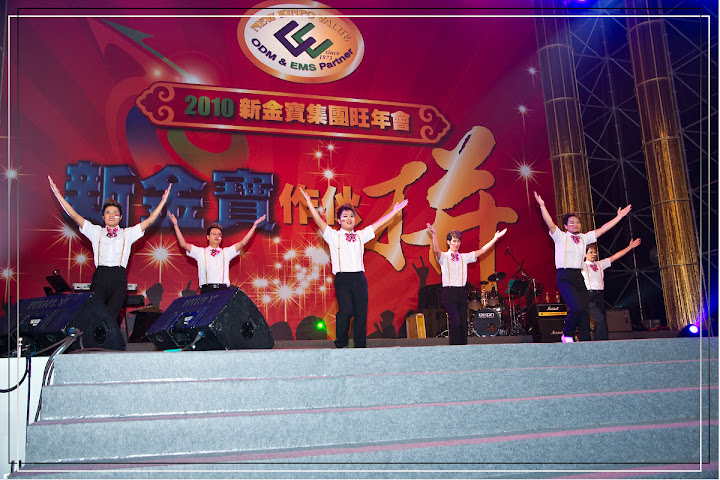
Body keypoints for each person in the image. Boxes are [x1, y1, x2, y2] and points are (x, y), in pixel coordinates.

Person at [48, 176, 172, 322]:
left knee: (111, 317)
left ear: (120, 217)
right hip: (100, 276)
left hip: (118, 277)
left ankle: (110, 337)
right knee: (95, 315)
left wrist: (163, 201)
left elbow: (150, 220)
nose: (111, 215)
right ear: (103, 217)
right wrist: (57, 194)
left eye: (115, 213)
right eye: (108, 212)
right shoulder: (95, 231)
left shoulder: (128, 234)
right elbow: (74, 215)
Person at [299, 188, 408, 348]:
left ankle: (360, 347)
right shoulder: (333, 236)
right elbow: (319, 221)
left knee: (360, 314)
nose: (349, 218)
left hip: (359, 279)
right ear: (339, 220)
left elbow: (379, 224)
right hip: (343, 279)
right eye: (345, 216)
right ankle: (341, 343)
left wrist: (394, 211)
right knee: (346, 311)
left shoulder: (360, 236)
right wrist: (309, 203)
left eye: (351, 216)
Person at [534, 191, 631, 342]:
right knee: (576, 307)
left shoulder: (584, 238)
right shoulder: (560, 237)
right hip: (564, 276)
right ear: (565, 226)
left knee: (585, 311)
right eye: (571, 222)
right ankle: (567, 334)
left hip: (578, 276)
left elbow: (603, 229)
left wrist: (619, 217)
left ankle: (585, 341)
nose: (575, 224)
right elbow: (550, 223)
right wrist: (542, 206)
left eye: (577, 222)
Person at [427, 224, 507, 345]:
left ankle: (463, 348)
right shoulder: (444, 257)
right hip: (449, 293)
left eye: (458, 241)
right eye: (454, 241)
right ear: (448, 242)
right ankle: (454, 348)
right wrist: (434, 235)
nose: (456, 244)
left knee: (463, 324)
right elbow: (436, 251)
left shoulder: (464, 257)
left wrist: (495, 238)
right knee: (456, 322)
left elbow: (482, 251)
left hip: (461, 292)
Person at [168, 213, 265, 295]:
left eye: (219, 234)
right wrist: (176, 226)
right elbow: (183, 244)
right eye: (214, 234)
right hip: (206, 290)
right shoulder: (200, 252)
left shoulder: (226, 252)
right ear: (208, 237)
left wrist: (254, 226)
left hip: (222, 290)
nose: (217, 236)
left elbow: (242, 243)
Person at [582, 238, 641, 340]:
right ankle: (601, 342)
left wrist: (630, 247)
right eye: (591, 252)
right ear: (585, 254)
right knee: (599, 318)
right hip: (589, 295)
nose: (594, 254)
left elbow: (615, 256)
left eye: (595, 252)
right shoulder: (582, 265)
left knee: (602, 320)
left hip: (599, 295)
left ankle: (600, 341)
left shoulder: (600, 264)